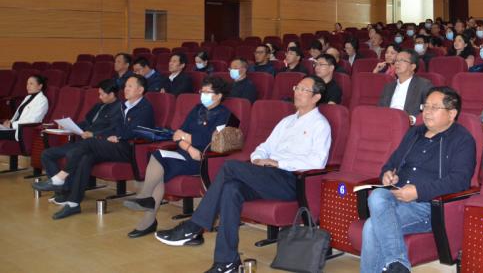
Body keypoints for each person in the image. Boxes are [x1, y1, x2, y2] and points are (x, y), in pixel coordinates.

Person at [155, 76, 331, 273]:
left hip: (291, 179)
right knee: (231, 189)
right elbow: (264, 147)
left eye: (304, 90)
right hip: (267, 175)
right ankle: (227, 261)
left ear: (316, 97)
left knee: (230, 167)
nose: (297, 92)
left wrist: (278, 162)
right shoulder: (287, 121)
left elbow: (317, 162)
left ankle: (195, 226)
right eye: (297, 88)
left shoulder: (320, 125)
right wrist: (257, 158)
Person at [360, 86, 476, 273]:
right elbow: (391, 162)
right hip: (396, 197)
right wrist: (387, 173)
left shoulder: (462, 140)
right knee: (378, 195)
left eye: (434, 107)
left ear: (452, 113)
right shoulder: (415, 133)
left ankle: (398, 264)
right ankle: (398, 264)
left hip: (428, 208)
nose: (427, 112)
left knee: (372, 226)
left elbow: (459, 181)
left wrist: (418, 192)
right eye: (426, 106)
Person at [124, 76, 235, 238]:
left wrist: (187, 138)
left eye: (207, 92)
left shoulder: (226, 115)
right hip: (186, 153)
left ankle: (146, 209)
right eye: (202, 91)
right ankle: (146, 207)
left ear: (218, 95)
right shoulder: (197, 109)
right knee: (157, 160)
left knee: (159, 160)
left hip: (203, 159)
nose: (202, 95)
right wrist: (188, 145)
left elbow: (212, 141)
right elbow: (177, 135)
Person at [33, 75, 155, 219]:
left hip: (130, 148)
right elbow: (116, 127)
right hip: (115, 144)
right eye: (126, 86)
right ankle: (73, 203)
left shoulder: (145, 108)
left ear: (140, 90)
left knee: (89, 143)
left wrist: (119, 135)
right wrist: (113, 134)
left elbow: (137, 130)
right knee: (86, 157)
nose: (125, 89)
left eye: (130, 86)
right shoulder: (124, 106)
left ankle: (60, 178)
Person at [40, 79, 122, 205]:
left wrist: (93, 134)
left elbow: (113, 129)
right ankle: (63, 190)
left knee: (71, 154)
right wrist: (70, 126)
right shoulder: (98, 105)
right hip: (82, 141)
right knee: (47, 154)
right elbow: (86, 122)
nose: (99, 97)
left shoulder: (119, 108)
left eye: (102, 94)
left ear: (111, 94)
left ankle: (66, 192)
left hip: (96, 144)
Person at [379, 49, 433, 124]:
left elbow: (430, 109)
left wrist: (413, 120)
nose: (397, 63)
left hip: (409, 126)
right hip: (387, 123)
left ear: (412, 66)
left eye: (402, 60)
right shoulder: (388, 87)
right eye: (396, 61)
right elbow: (380, 110)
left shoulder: (423, 85)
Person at [0, 74, 49, 141]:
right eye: (27, 84)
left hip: (24, 131)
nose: (28, 86)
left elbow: (33, 120)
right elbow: (19, 116)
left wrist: (12, 125)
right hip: (15, 127)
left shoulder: (42, 100)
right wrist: (10, 122)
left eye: (31, 84)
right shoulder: (28, 97)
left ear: (40, 86)